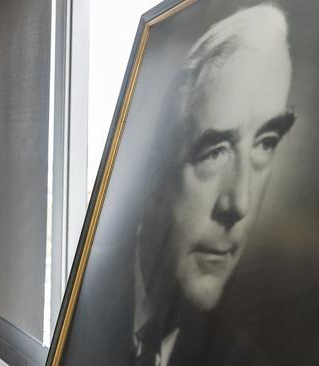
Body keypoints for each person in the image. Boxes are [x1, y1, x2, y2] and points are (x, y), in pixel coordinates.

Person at [61, 4, 295, 365]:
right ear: (156, 176)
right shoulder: (88, 290)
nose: (240, 202)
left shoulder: (247, 354)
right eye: (213, 151)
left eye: (265, 143)